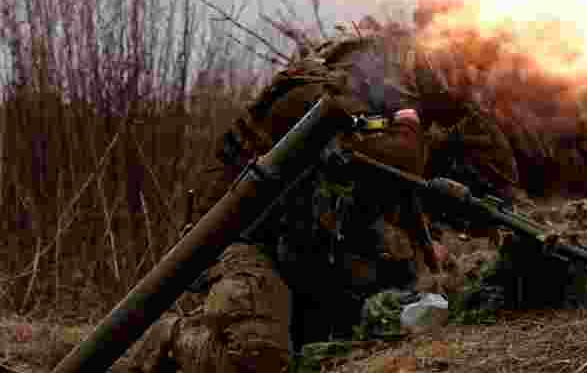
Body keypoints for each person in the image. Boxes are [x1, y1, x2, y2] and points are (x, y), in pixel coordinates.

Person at [130, 30, 447, 373]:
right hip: (236, 242)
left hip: (296, 252)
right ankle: (174, 336)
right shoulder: (308, 99)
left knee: (342, 338)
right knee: (257, 357)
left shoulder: (357, 115)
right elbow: (398, 160)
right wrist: (408, 119)